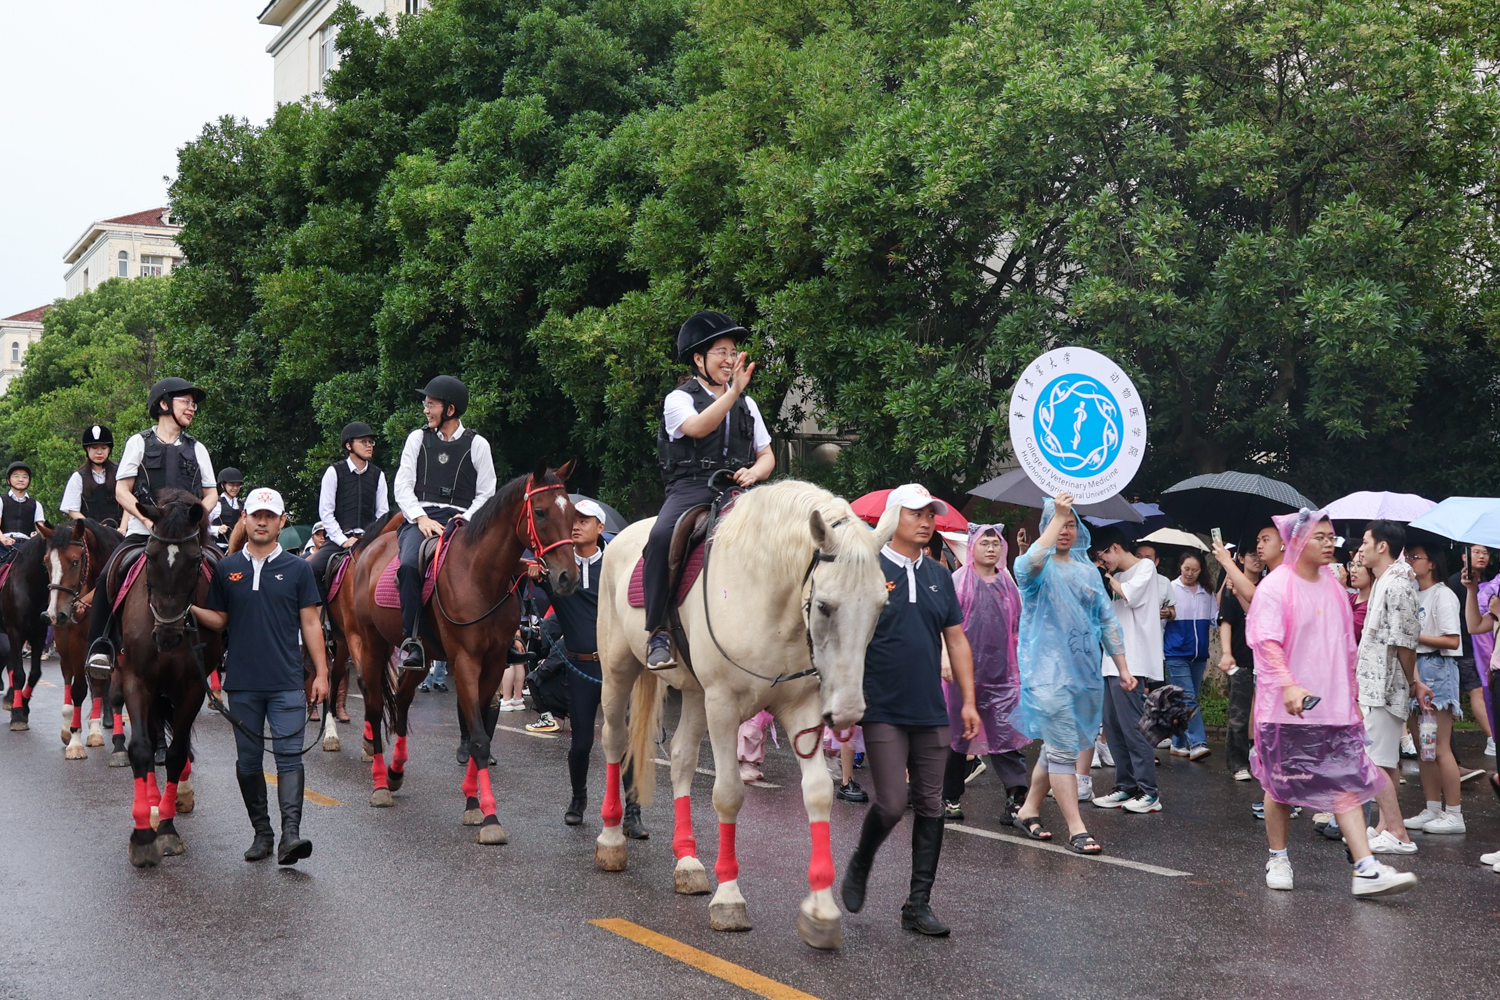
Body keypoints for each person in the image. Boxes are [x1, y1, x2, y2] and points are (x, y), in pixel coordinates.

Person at [1247, 508, 1415, 897]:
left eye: (1331, 536)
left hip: (1334, 709)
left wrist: (1350, 699)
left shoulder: (1335, 589)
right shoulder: (1276, 587)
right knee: (1280, 788)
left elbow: (1345, 648)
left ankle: (1365, 868)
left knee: (1345, 784)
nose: (1329, 543)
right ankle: (1278, 857)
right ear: (1296, 541)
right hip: (1286, 712)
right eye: (1320, 537)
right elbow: (1266, 642)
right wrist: (1289, 685)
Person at [840, 485, 979, 937]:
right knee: (892, 802)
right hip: (881, 706)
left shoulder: (940, 575)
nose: (926, 522)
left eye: (930, 515)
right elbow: (843, 639)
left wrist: (969, 701)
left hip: (930, 710)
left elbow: (956, 640)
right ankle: (862, 859)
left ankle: (918, 905)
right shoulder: (867, 569)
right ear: (893, 517)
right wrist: (840, 700)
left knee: (931, 805)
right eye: (916, 514)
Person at [191, 487, 327, 866]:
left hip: (287, 682)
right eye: (256, 515)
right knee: (248, 763)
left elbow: (311, 624)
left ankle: (290, 836)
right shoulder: (226, 569)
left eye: (270, 516)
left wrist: (321, 673)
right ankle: (262, 833)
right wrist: (189, 609)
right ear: (245, 519)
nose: (262, 522)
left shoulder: (299, 569)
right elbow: (220, 620)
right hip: (242, 684)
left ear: (282, 521)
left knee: (289, 760)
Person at [643, 311, 774, 667]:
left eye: (733, 352)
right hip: (691, 487)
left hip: (736, 489)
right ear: (699, 359)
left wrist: (754, 473)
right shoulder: (678, 399)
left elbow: (767, 455)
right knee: (660, 537)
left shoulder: (748, 404)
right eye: (721, 352)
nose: (730, 360)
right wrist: (734, 393)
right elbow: (699, 427)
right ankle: (657, 631)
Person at [1011, 495, 1130, 854]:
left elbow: (1107, 620)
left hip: (1083, 674)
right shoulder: (1033, 567)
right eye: (1058, 523)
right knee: (1064, 748)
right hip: (1045, 673)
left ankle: (1028, 809)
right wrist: (1057, 515)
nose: (1065, 530)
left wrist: (1123, 668)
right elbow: (1030, 562)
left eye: (1071, 523)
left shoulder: (1087, 572)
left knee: (1058, 746)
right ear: (1046, 527)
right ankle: (1077, 828)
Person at [85, 377, 218, 678]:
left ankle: (227, 646)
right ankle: (100, 647)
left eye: (193, 404)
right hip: (144, 533)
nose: (192, 408)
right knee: (107, 577)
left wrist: (195, 519)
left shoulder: (198, 448)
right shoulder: (138, 442)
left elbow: (211, 494)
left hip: (187, 537)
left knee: (222, 574)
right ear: (164, 404)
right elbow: (122, 491)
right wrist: (147, 520)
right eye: (186, 402)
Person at [392, 375, 496, 670]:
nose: (425, 410)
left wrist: (466, 518)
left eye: (431, 404)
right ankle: (412, 640)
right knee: (409, 564)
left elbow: (487, 493)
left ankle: (509, 637)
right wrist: (420, 517)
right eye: (425, 404)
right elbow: (402, 485)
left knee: (498, 561)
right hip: (421, 518)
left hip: (464, 520)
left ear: (449, 409)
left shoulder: (478, 444)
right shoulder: (417, 438)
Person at [939, 523, 1029, 825]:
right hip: (962, 674)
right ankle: (949, 797)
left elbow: (1017, 626)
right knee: (958, 735)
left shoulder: (1007, 583)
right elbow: (942, 624)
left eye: (995, 543)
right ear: (972, 547)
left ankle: (1017, 798)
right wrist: (945, 657)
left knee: (1007, 734)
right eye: (984, 543)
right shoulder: (958, 581)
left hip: (1001, 674)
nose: (991, 549)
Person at [1352, 520, 1422, 854]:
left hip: (1386, 685)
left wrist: (1412, 681)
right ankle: (1385, 826)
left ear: (1382, 546)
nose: (1359, 550)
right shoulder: (1385, 581)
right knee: (1385, 760)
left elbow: (1405, 642)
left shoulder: (1398, 585)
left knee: (1373, 762)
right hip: (1376, 683)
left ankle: (1398, 832)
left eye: (1365, 543)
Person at [1090, 529, 1165, 812]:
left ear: (1115, 547)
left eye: (1102, 557)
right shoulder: (1117, 576)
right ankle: (1125, 786)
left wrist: (1107, 577)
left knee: (1134, 728)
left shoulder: (1144, 567)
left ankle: (1149, 793)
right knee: (1112, 726)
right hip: (1112, 660)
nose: (1103, 563)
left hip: (1133, 661)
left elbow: (1130, 595)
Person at [1403, 542, 1466, 833]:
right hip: (1415, 667)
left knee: (1440, 747)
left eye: (1415, 557)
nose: (1410, 561)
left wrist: (1415, 636)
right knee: (1423, 747)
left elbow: (1453, 640)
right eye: (1408, 556)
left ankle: (1454, 813)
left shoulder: (1443, 595)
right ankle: (1431, 808)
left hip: (1438, 667)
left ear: (1432, 563)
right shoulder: (1412, 593)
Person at [312, 421, 389, 580]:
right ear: (349, 446)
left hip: (369, 539)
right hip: (339, 540)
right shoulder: (334, 472)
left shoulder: (378, 475)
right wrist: (343, 541)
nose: (369, 445)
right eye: (363, 441)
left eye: (371, 442)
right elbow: (326, 512)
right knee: (312, 569)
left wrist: (372, 537)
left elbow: (382, 514)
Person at [1162, 550, 1216, 761]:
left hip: (1199, 654)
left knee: (1184, 701)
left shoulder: (1206, 592)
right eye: (1186, 569)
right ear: (1180, 567)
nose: (1190, 573)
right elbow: (1161, 620)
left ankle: (1178, 743)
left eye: (1195, 570)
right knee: (1188, 699)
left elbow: (1214, 619)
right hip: (1176, 652)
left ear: (1201, 570)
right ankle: (1198, 743)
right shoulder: (1171, 588)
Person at [1448, 544, 1494, 756]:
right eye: (1476, 552)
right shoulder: (1456, 582)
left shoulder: (1490, 582)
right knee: (1476, 691)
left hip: (1485, 648)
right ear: (1464, 557)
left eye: (1485, 552)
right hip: (1464, 646)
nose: (1481, 556)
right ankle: (1492, 738)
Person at [61, 425, 122, 527]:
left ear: (109, 450)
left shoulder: (120, 472)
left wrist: (123, 527)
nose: (99, 452)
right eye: (94, 448)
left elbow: (129, 502)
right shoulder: (78, 477)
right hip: (90, 530)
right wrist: (95, 527)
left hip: (120, 529)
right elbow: (73, 510)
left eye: (104, 448)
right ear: (87, 449)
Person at [0, 461, 45, 557]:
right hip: (3, 546)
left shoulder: (36, 505)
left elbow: (41, 529)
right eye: (16, 476)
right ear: (8, 480)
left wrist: (37, 536)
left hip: (27, 547)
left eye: (25, 477)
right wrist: (4, 539)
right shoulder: (1, 501)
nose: (21, 479)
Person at [211, 468, 244, 546]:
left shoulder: (242, 504)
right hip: (219, 545)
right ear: (222, 485)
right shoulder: (216, 504)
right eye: (231, 485)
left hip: (238, 546)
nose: (235, 488)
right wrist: (217, 529)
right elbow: (203, 526)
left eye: (238, 485)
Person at [1349, 558, 1373, 643]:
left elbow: (1348, 629)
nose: (1353, 570)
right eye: (1352, 565)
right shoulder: (1350, 597)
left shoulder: (1371, 606)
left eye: (1359, 565)